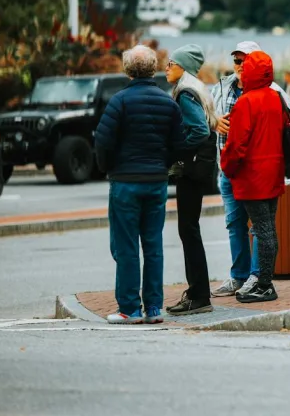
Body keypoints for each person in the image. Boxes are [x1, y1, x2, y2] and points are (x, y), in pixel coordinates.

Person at [94, 45, 185, 325]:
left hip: (125, 181)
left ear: (128, 69)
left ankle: (130, 308)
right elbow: (178, 145)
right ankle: (154, 307)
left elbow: (103, 142)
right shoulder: (168, 103)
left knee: (126, 247)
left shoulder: (119, 101)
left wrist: (107, 167)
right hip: (156, 181)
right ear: (153, 68)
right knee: (153, 244)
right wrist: (161, 164)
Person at [210, 41, 289, 299]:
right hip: (272, 173)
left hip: (249, 177)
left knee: (260, 229)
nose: (241, 67)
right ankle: (257, 279)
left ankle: (261, 282)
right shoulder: (275, 97)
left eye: (246, 62)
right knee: (265, 229)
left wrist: (227, 167)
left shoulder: (246, 102)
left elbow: (236, 146)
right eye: (237, 61)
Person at [165, 44, 219, 316]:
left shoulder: (186, 93)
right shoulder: (197, 88)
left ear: (183, 67)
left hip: (191, 170)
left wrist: (178, 150)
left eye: (171, 63)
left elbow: (199, 130)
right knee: (190, 230)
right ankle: (198, 292)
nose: (166, 68)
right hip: (201, 170)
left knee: (188, 231)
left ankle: (198, 295)